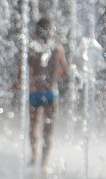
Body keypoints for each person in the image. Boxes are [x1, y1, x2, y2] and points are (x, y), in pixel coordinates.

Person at [17, 17, 68, 170]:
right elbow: (64, 71)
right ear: (51, 32)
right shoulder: (57, 49)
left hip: (35, 93)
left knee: (33, 126)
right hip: (51, 93)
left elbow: (22, 70)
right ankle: (44, 163)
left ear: (36, 33)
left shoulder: (32, 49)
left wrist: (17, 83)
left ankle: (34, 156)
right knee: (48, 129)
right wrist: (53, 73)